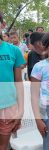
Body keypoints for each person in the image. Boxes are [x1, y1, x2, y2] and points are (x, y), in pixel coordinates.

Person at [0, 11, 25, 150]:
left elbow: (18, 82)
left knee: (3, 146)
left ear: (3, 25)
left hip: (8, 107)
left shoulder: (14, 51)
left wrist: (20, 111)